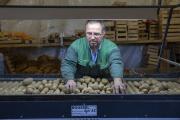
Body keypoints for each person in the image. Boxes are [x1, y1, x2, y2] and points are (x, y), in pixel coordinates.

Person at [61, 20, 125, 94]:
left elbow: (116, 62)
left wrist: (117, 79)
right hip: (80, 84)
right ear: (85, 32)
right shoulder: (76, 46)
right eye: (89, 33)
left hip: (104, 84)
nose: (92, 37)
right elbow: (68, 63)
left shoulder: (111, 47)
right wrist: (69, 79)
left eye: (96, 34)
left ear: (103, 33)